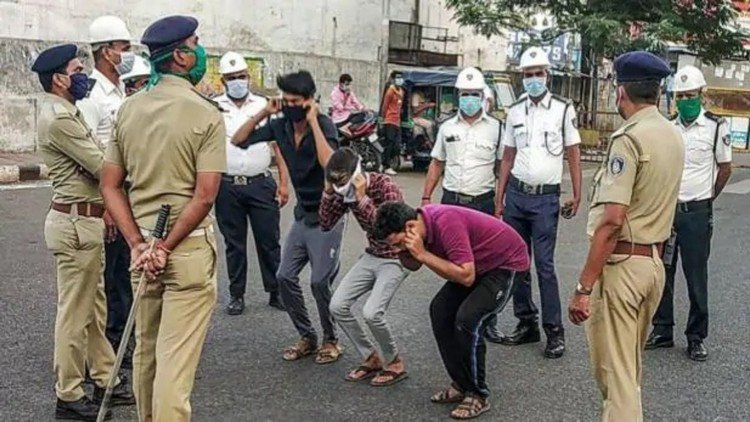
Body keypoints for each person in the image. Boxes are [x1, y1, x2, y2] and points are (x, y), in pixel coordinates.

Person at [100, 15, 226, 421]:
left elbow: (110, 185)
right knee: (175, 362)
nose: (200, 49)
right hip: (184, 250)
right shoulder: (205, 113)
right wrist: (165, 246)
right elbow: (205, 195)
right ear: (183, 57)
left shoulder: (129, 109)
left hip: (143, 252)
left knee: (148, 353)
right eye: (196, 43)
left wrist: (138, 244)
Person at [568, 51, 684, 421]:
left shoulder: (628, 139)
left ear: (621, 91)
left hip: (622, 267)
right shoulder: (672, 134)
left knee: (616, 380)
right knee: (628, 373)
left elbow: (612, 220)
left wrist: (584, 287)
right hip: (653, 265)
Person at [33, 43, 134, 421]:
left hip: (84, 221)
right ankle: (69, 394)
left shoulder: (67, 111)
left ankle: (106, 379)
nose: (83, 76)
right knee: (74, 315)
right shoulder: (59, 119)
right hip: (74, 224)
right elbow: (101, 165)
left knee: (94, 309)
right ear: (59, 79)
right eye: (77, 70)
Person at [373, 202, 529, 420]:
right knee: (440, 311)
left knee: (469, 319)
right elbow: (414, 265)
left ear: (410, 226)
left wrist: (423, 254)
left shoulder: (446, 222)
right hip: (475, 264)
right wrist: (409, 252)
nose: (400, 249)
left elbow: (465, 276)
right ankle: (461, 383)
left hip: (505, 263)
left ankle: (477, 393)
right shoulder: (419, 229)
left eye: (400, 243)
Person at [231, 70, 345, 365]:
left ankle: (332, 339)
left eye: (296, 101)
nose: (289, 105)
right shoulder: (280, 125)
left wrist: (314, 123)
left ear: (309, 101)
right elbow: (238, 140)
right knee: (284, 277)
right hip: (302, 214)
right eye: (285, 100)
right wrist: (262, 113)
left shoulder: (323, 124)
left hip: (328, 215)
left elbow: (330, 165)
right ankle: (307, 335)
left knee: (320, 282)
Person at [496, 46, 582, 358]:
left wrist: (576, 192)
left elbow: (573, 151)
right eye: (528, 75)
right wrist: (499, 198)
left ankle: (554, 331)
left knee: (544, 265)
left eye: (538, 74)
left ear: (547, 75)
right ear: (522, 77)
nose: (533, 79)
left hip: (546, 197)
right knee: (518, 262)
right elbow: (508, 156)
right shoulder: (515, 110)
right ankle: (526, 322)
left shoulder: (562, 109)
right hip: (517, 196)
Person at [646, 65, 733, 361]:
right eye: (680, 96)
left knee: (696, 276)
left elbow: (724, 169)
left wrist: (707, 198)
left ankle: (696, 336)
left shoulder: (716, 127)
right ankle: (662, 329)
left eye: (690, 95)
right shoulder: (668, 128)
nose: (685, 100)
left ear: (702, 95)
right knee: (663, 271)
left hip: (697, 212)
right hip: (668, 212)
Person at [421, 66, 505, 343]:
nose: (469, 98)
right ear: (458, 96)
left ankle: (486, 317)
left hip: (481, 204)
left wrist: (499, 204)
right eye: (465, 94)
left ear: (482, 96)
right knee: (455, 260)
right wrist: (425, 198)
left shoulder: (496, 129)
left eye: (474, 94)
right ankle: (457, 310)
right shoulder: (447, 128)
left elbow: (500, 167)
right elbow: (437, 163)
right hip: (451, 203)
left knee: (485, 262)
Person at [321, 148, 410, 386]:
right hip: (372, 256)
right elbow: (326, 223)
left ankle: (394, 363)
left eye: (342, 180)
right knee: (337, 306)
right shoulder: (344, 192)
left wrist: (362, 199)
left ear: (357, 172)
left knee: (372, 313)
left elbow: (388, 230)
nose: (340, 186)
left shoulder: (384, 185)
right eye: (335, 181)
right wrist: (329, 194)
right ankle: (370, 357)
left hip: (395, 257)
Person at [77, 14, 136, 368]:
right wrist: (107, 206)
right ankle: (108, 351)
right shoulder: (93, 95)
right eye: (122, 47)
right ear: (105, 51)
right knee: (110, 279)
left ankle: (121, 344)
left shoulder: (120, 89)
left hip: (125, 193)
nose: (127, 53)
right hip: (107, 197)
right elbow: (89, 156)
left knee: (123, 273)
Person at [214, 51, 289, 315]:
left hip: (261, 184)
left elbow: (279, 146)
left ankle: (276, 291)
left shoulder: (264, 105)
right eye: (232, 78)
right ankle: (237, 295)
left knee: (269, 241)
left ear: (249, 77)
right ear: (223, 80)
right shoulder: (214, 106)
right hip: (227, 185)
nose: (238, 81)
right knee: (234, 243)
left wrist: (283, 184)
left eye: (242, 76)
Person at [381, 71, 405, 175]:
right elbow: (385, 105)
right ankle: (386, 166)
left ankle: (387, 162)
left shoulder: (401, 92)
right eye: (397, 78)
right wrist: (382, 119)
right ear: (393, 79)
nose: (399, 80)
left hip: (397, 121)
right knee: (389, 143)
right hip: (389, 120)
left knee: (397, 145)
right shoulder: (390, 91)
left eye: (401, 78)